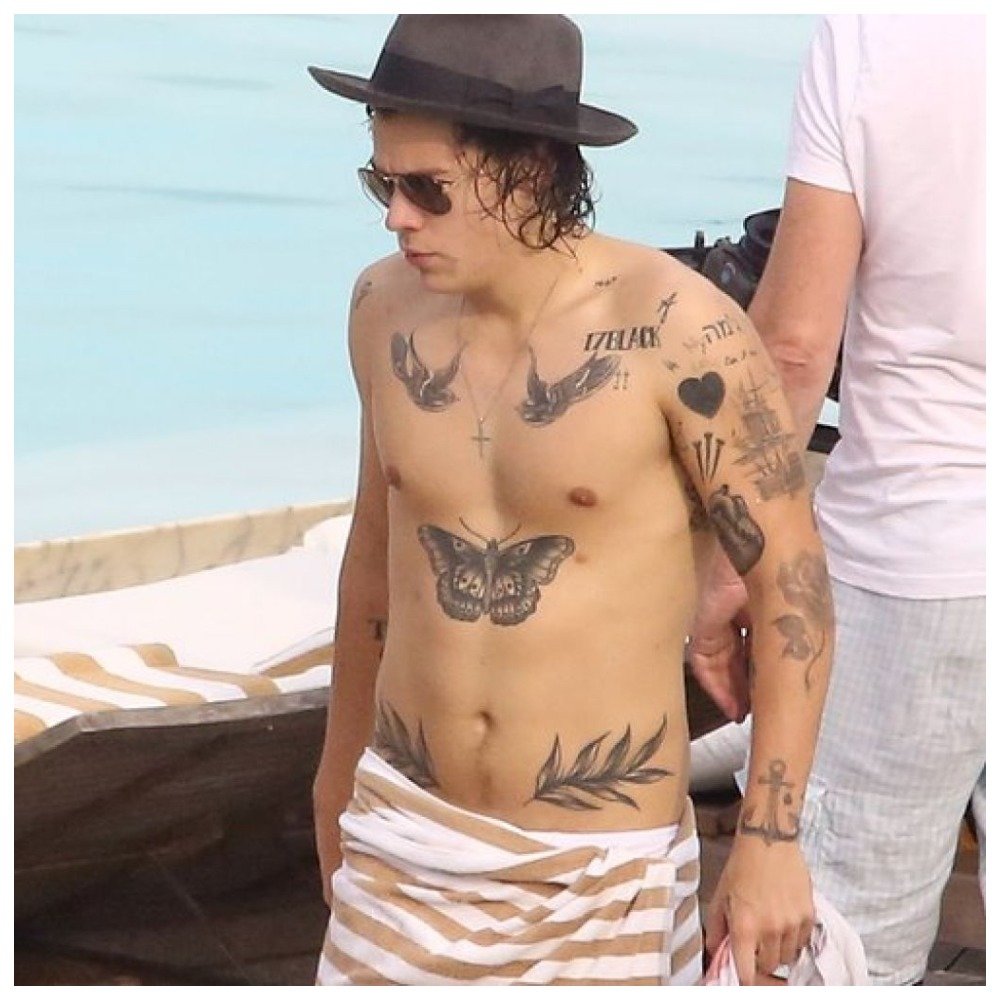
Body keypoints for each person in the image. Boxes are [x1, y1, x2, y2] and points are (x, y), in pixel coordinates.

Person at [307, 15, 833, 986]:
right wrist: (336, 775)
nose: (397, 218)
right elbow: (372, 562)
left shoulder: (679, 331)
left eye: (428, 189)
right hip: (402, 837)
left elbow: (791, 589)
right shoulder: (382, 310)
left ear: (531, 174)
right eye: (382, 185)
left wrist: (769, 840)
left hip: (600, 873)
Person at [688, 14, 985, 986]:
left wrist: (730, 567)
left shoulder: (876, 32)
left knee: (836, 957)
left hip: (915, 565)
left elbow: (792, 349)